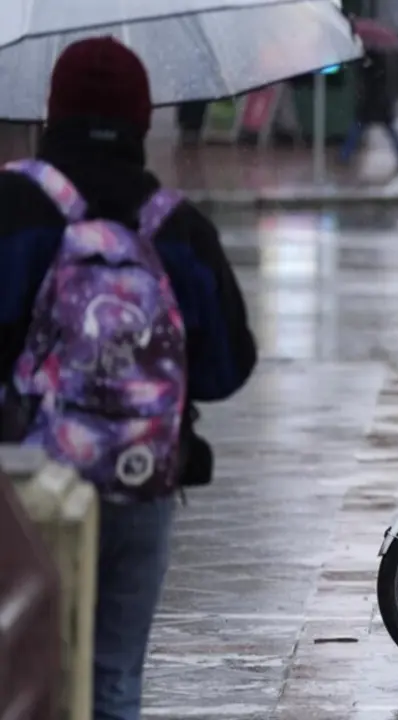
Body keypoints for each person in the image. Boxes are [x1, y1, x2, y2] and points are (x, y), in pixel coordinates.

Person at [0, 37, 257, 720]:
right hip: (140, 476)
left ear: (55, 110)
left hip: (24, 482)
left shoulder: (14, 203)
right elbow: (229, 367)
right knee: (114, 677)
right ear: (144, 118)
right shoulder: (177, 224)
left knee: (19, 674)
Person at [338, 49, 398, 173]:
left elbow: (367, 81)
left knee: (357, 129)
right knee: (390, 131)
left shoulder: (370, 62)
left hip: (372, 103)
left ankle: (344, 156)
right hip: (380, 103)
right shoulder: (384, 60)